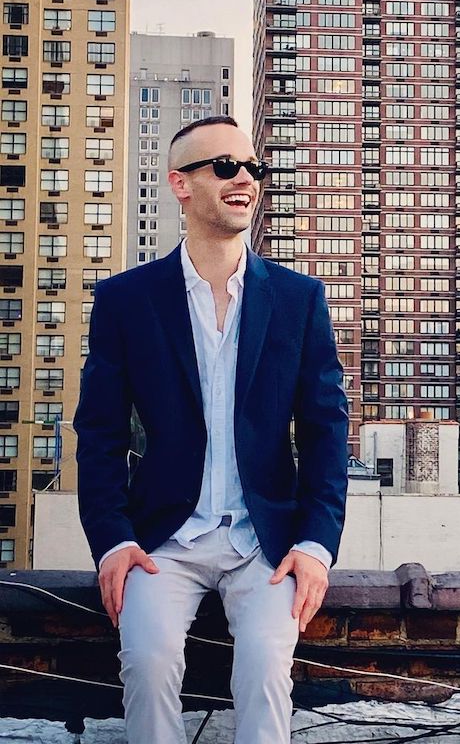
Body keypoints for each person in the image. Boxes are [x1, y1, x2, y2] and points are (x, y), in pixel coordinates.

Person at [74, 115, 349, 744]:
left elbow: (326, 429)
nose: (244, 178)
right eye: (224, 166)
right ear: (180, 184)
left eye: (253, 167)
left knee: (265, 669)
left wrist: (314, 544)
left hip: (267, 542)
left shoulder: (299, 298)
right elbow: (100, 432)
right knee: (147, 661)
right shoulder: (126, 299)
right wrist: (113, 541)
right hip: (162, 540)